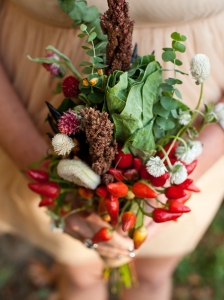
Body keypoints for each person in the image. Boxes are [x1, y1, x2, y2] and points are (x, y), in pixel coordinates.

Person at [0, 0, 224, 299]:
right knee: (80, 274)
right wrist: (51, 174)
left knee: (153, 274)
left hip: (199, 139)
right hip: (27, 120)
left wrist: (175, 179)